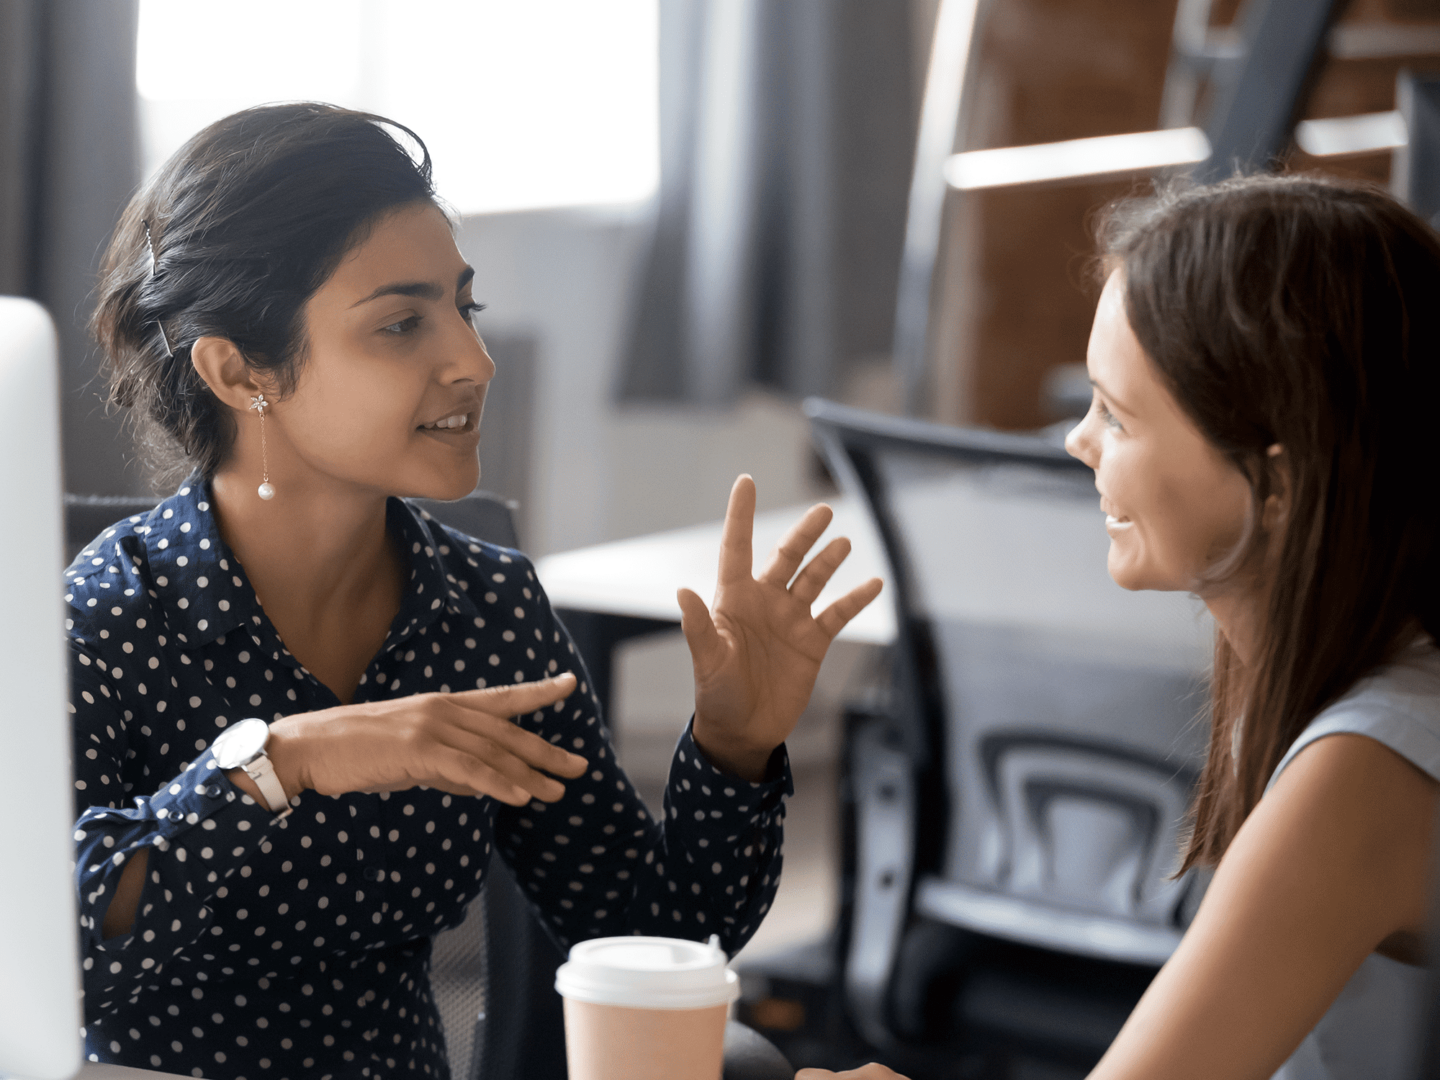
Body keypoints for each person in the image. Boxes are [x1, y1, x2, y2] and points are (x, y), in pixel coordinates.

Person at [71, 102, 883, 1080]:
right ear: (239, 370)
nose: (473, 361)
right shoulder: (107, 619)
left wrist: (734, 745)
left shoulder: (486, 613)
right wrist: (279, 763)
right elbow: (56, 952)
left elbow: (652, 938)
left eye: (465, 307)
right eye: (402, 323)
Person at [796, 174, 1440, 1080]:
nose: (1077, 441)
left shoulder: (1363, 769)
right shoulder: (1340, 682)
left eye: (1117, 414)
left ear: (1280, 485)